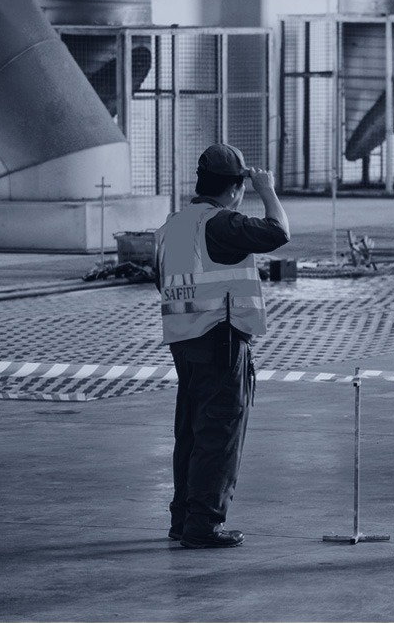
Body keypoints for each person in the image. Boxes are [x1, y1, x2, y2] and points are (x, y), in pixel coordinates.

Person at [154, 143, 290, 549]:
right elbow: (278, 232)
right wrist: (267, 189)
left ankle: (183, 519)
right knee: (219, 433)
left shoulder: (173, 225)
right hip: (221, 341)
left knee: (191, 434)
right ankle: (204, 525)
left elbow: (162, 282)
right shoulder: (222, 224)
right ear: (234, 188)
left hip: (184, 342)